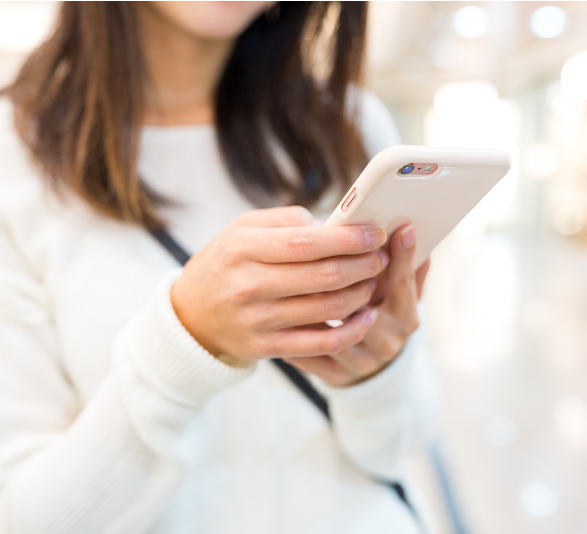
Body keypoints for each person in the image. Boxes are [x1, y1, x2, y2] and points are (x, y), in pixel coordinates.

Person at [0, 2, 437, 532]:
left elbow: (401, 450)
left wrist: (378, 373)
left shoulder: (349, 123)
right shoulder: (15, 155)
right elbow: (29, 518)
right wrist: (184, 346)